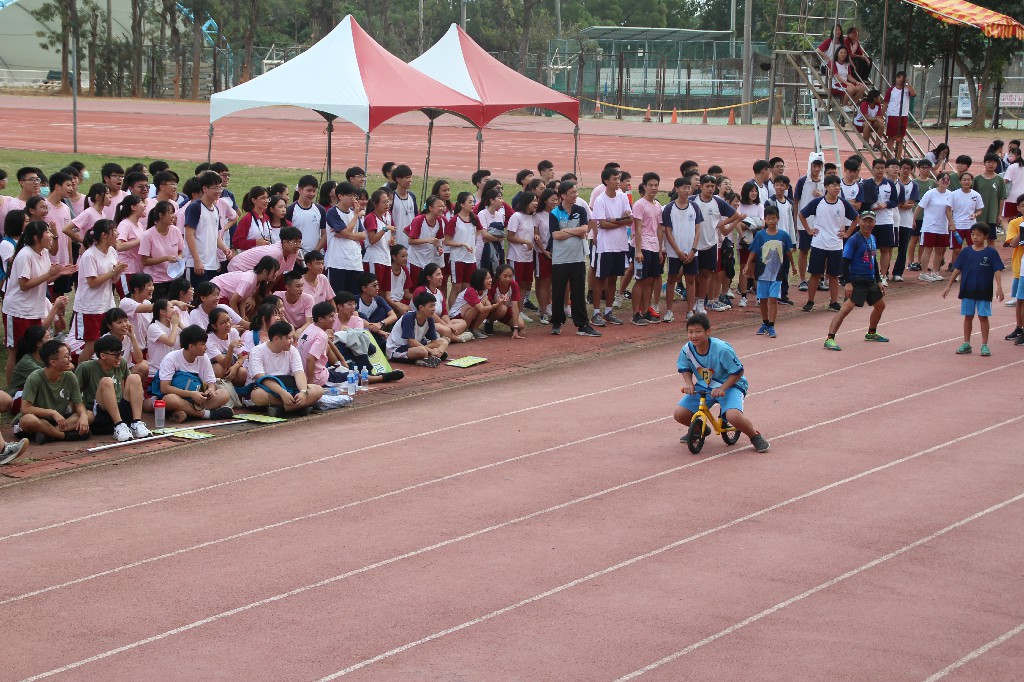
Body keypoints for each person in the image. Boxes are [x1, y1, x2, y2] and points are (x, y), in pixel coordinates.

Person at [673, 313, 770, 453]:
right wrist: (689, 383)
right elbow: (685, 368)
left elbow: (738, 372)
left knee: (733, 416)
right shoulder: (687, 349)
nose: (694, 335)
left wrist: (723, 388)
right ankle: (699, 429)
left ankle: (754, 436)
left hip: (731, 384)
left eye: (698, 331)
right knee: (679, 414)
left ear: (708, 331)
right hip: (705, 385)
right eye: (690, 332)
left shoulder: (721, 349)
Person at [3, 222, 75, 382]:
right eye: (48, 232)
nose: (51, 236)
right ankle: (13, 389)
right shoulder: (25, 255)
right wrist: (50, 273)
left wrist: (58, 273)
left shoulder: (43, 253)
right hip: (18, 311)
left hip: (34, 309)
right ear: (36, 238)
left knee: (35, 349)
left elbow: (43, 280)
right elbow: (24, 285)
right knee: (16, 351)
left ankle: (30, 384)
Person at [822, 211, 888, 350]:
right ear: (859, 222)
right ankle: (829, 338)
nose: (867, 224)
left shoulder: (872, 238)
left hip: (870, 280)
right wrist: (848, 282)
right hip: (857, 280)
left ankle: (871, 333)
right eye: (865, 221)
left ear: (874, 223)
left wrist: (878, 280)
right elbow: (845, 262)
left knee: (880, 305)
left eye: (870, 221)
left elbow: (874, 260)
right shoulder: (854, 240)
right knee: (846, 308)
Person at [74, 334, 152, 442]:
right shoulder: (85, 367)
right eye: (116, 355)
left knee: (134, 377)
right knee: (107, 381)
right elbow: (76, 395)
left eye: (121, 353)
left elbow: (125, 387)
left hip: (120, 410)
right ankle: (118, 424)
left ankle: (136, 423)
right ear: (102, 356)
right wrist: (82, 414)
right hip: (100, 414)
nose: (119, 357)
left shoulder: (122, 363)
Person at [942, 223, 1005, 357]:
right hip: (967, 290)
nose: (975, 237)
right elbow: (957, 269)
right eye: (972, 234)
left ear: (985, 236)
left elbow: (997, 270)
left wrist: (999, 287)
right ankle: (966, 343)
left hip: (984, 290)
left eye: (978, 234)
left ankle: (984, 345)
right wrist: (949, 285)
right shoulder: (966, 252)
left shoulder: (991, 252)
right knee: (968, 316)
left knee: (983, 317)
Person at [13, 340, 92, 443]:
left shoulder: (70, 376)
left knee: (89, 414)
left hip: (58, 421)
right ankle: (63, 436)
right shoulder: (35, 378)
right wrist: (52, 412)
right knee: (28, 420)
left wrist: (83, 416)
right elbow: (25, 408)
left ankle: (48, 433)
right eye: (66, 356)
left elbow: (78, 403)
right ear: (53, 362)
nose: (70, 359)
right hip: (38, 420)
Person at [799, 175, 859, 312]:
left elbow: (856, 218)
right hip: (819, 244)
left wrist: (847, 233)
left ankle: (833, 302)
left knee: (833, 275)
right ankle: (810, 301)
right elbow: (802, 214)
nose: (837, 188)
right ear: (826, 187)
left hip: (835, 245)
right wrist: (808, 230)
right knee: (815, 274)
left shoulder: (843, 203)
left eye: (838, 185)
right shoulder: (818, 202)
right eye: (833, 185)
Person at [548, 181, 600, 337]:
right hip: (560, 258)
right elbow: (555, 235)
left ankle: (582, 324)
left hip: (577, 258)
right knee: (558, 291)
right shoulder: (554, 213)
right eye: (572, 193)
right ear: (563, 196)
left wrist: (566, 230)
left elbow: (585, 228)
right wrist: (575, 232)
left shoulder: (580, 210)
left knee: (578, 291)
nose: (576, 195)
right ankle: (557, 322)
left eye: (576, 192)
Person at [154, 324, 234, 421]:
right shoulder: (171, 358)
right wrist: (191, 394)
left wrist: (210, 390)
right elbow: (164, 388)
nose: (206, 347)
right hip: (179, 397)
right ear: (191, 346)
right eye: (202, 344)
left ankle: (187, 412)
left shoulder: (203, 357)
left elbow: (211, 382)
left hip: (197, 400)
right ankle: (207, 414)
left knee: (224, 394)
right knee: (169, 400)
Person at [745, 205, 795, 338]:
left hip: (777, 274)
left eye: (774, 218)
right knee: (763, 299)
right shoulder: (760, 235)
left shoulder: (784, 235)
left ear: (778, 219)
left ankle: (772, 325)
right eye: (768, 218)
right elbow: (753, 251)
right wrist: (747, 265)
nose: (771, 221)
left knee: (773, 298)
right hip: (762, 273)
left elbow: (789, 252)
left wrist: (793, 266)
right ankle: (765, 322)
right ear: (765, 220)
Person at [589, 167, 631, 327]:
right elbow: (603, 224)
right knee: (601, 278)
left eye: (619, 178)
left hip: (619, 245)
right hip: (605, 246)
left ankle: (608, 311)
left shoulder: (623, 197)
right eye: (615, 179)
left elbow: (630, 220)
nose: (618, 182)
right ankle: (596, 312)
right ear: (606, 181)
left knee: (613, 278)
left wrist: (614, 220)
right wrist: (620, 221)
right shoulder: (600, 200)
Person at [661, 176, 703, 323]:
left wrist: (693, 250)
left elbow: (698, 230)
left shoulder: (694, 207)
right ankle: (669, 311)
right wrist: (678, 251)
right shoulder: (669, 208)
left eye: (688, 187)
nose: (686, 190)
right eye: (683, 187)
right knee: (672, 279)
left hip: (691, 252)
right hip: (674, 253)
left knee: (691, 280)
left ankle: (690, 311)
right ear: (676, 189)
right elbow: (668, 232)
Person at [856, 159, 900, 286]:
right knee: (869, 249)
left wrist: (886, 204)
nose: (880, 170)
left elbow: (895, 201)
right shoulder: (866, 184)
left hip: (886, 221)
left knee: (885, 249)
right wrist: (871, 208)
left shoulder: (889, 184)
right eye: (877, 168)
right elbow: (862, 203)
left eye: (882, 168)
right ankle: (870, 274)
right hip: (869, 222)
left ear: (885, 169)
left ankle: (883, 275)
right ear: (873, 168)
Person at [183, 170, 232, 282]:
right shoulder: (195, 207)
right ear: (205, 189)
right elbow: (189, 235)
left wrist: (225, 248)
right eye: (215, 188)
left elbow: (215, 236)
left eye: (220, 187)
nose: (219, 191)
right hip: (197, 265)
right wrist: (196, 260)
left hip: (212, 265)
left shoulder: (215, 209)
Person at [629, 172, 664, 325]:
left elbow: (659, 228)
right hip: (642, 246)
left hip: (654, 247)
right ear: (645, 186)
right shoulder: (639, 204)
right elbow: (637, 228)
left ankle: (645, 310)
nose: (653, 188)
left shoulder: (657, 205)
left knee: (650, 280)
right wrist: (638, 250)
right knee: (640, 280)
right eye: (650, 185)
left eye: (656, 185)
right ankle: (635, 313)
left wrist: (660, 249)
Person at [385, 291, 450, 367]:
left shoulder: (429, 319)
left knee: (443, 341)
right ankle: (427, 356)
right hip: (397, 349)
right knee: (422, 351)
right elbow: (411, 342)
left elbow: (434, 343)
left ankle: (436, 355)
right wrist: (430, 350)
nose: (434, 309)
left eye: (434, 306)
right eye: (431, 306)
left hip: (415, 346)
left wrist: (435, 350)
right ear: (421, 307)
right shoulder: (408, 317)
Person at [323, 181, 365, 294]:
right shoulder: (333, 212)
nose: (353, 199)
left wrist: (345, 234)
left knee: (354, 297)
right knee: (337, 297)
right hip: (338, 262)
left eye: (354, 196)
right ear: (340, 196)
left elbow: (363, 235)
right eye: (349, 195)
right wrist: (355, 216)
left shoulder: (353, 213)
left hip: (355, 262)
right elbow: (346, 232)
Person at [139, 200, 185, 301]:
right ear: (161, 215)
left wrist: (179, 259)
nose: (173, 216)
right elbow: (145, 261)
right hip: (156, 281)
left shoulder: (175, 230)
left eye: (173, 213)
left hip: (174, 278)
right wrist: (165, 258)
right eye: (170, 213)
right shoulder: (147, 235)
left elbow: (181, 251)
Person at [211, 256, 280, 319]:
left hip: (226, 296)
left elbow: (242, 299)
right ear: (265, 271)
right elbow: (233, 302)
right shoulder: (249, 280)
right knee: (227, 318)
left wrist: (243, 317)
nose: (277, 273)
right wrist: (240, 320)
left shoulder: (256, 281)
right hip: (218, 292)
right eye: (275, 271)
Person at [917, 172, 955, 282]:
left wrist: (951, 223)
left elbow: (950, 210)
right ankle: (923, 272)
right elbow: (920, 207)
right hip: (929, 226)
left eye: (947, 179)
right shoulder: (930, 193)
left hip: (942, 227)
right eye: (943, 179)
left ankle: (935, 272)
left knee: (939, 250)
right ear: (937, 181)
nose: (945, 181)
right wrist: (913, 219)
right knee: (928, 249)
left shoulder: (950, 194)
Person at [443, 192, 481, 302]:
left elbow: (480, 230)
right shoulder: (454, 220)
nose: (473, 204)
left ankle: (462, 309)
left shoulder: (474, 218)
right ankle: (452, 311)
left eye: (473, 202)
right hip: (457, 258)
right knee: (456, 288)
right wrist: (462, 244)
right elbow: (447, 241)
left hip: (470, 258)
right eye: (470, 202)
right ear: (462, 204)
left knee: (467, 288)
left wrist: (472, 238)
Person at [506, 193, 537, 323]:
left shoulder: (532, 217)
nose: (536, 203)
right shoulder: (516, 216)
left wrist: (535, 237)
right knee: (515, 284)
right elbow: (510, 236)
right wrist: (526, 242)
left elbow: (533, 232)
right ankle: (511, 311)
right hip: (516, 256)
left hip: (527, 257)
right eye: (533, 200)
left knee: (524, 284)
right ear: (526, 202)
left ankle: (520, 311)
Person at [406, 195, 446, 285]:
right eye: (440, 206)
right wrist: (427, 240)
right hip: (416, 260)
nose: (442, 209)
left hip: (429, 260)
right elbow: (410, 241)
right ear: (430, 208)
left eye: (443, 206)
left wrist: (438, 247)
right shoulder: (419, 220)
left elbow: (437, 240)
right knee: (415, 287)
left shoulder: (439, 221)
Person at [449, 267, 499, 340]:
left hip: (465, 314)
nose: (490, 280)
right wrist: (496, 305)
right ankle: (465, 330)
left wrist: (486, 299)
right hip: (455, 316)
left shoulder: (484, 289)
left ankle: (473, 329)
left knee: (487, 304)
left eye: (490, 277)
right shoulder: (471, 291)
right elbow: (481, 309)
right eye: (487, 278)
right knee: (475, 307)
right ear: (480, 280)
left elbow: (485, 298)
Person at [891, 159, 920, 282]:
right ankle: (884, 272)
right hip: (892, 219)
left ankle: (897, 272)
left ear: (912, 170)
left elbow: (910, 204)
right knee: (888, 247)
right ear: (900, 169)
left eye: (909, 168)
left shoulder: (914, 185)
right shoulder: (893, 184)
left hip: (906, 221)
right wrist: (901, 204)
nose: (906, 170)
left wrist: (897, 204)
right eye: (904, 168)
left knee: (903, 248)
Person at [949, 172, 985, 266]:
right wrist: (951, 224)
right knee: (957, 249)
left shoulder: (976, 195)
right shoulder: (954, 194)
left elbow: (980, 210)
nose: (966, 182)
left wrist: (975, 215)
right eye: (964, 180)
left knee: (973, 247)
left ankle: (973, 266)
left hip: (971, 226)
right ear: (960, 181)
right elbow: (948, 210)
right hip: (958, 226)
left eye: (969, 180)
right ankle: (955, 267)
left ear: (971, 181)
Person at [205, 307, 247, 385]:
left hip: (232, 363)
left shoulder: (233, 332)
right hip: (217, 365)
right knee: (219, 370)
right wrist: (230, 347)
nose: (228, 324)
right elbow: (225, 364)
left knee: (243, 373)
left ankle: (235, 389)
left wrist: (234, 368)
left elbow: (240, 358)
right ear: (214, 326)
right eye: (222, 323)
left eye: (228, 320)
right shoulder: (209, 339)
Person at [286, 175, 327, 254]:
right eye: (309, 190)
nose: (312, 194)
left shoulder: (320, 210)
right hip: (296, 255)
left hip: (315, 255)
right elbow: (287, 235)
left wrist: (315, 251)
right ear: (300, 190)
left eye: (314, 191)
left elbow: (324, 234)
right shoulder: (291, 210)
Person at [1002, 195, 1024, 339]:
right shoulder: (1016, 223)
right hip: (1020, 266)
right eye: (1023, 205)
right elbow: (1013, 244)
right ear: (1018, 208)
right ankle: (1019, 328)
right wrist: (1022, 231)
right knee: (1020, 299)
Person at [975, 153, 1007, 246]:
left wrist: (999, 215)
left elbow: (1001, 198)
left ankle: (991, 256)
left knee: (991, 240)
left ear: (997, 164)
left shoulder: (999, 180)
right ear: (984, 163)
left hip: (992, 215)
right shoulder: (977, 179)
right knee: (978, 239)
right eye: (988, 162)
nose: (991, 164)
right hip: (979, 215)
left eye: (993, 162)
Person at [883, 72, 916, 158]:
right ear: (897, 78)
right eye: (900, 78)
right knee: (891, 138)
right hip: (893, 115)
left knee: (901, 138)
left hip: (903, 115)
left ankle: (898, 158)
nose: (901, 81)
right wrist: (881, 115)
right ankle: (889, 158)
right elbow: (885, 103)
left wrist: (907, 84)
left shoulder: (907, 89)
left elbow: (913, 94)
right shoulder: (891, 90)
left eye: (903, 79)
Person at [275, 267, 315, 336]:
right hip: (284, 330)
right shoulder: (277, 296)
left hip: (303, 331)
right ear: (287, 287)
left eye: (302, 286)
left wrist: (300, 330)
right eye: (298, 286)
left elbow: (309, 322)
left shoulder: (308, 299)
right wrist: (291, 329)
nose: (301, 289)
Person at [232, 186, 273, 251]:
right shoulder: (247, 219)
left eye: (267, 198)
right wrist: (256, 242)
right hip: (250, 256)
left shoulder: (266, 217)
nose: (266, 201)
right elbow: (236, 242)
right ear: (254, 200)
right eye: (263, 198)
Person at [389, 165, 418, 249]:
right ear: (398, 179)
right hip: (396, 242)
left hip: (411, 242)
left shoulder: (412, 196)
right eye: (407, 177)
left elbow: (416, 217)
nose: (410, 180)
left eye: (410, 177)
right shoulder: (392, 198)